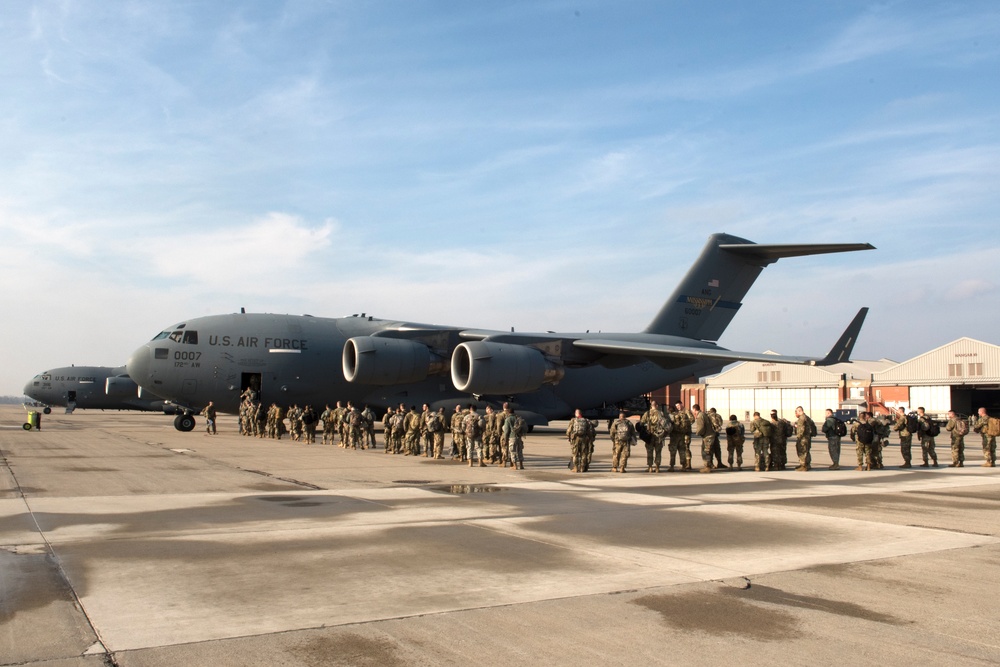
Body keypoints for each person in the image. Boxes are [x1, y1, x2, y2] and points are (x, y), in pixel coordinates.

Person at [640, 401, 669, 473]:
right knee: (658, 452)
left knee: (649, 451)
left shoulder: (647, 413)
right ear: (656, 406)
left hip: (649, 435)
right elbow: (665, 423)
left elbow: (641, 423)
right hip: (658, 436)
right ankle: (657, 467)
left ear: (651, 406)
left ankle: (650, 467)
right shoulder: (661, 413)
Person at [691, 404, 715, 473]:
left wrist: (697, 433)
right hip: (708, 435)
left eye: (692, 410)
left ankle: (707, 467)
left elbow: (701, 427)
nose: (692, 411)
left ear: (695, 409)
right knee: (707, 451)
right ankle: (708, 466)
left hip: (708, 436)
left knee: (706, 451)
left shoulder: (700, 416)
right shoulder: (703, 414)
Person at [670, 402, 693, 471]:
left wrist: (686, 426)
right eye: (676, 406)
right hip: (681, 433)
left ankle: (688, 464)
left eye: (678, 405)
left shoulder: (686, 411)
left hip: (686, 433)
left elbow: (692, 419)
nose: (678, 407)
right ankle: (685, 465)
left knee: (685, 448)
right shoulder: (678, 413)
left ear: (681, 404)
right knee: (683, 449)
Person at [793, 406, 815, 471]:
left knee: (802, 451)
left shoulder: (801, 418)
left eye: (796, 412)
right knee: (806, 451)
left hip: (803, 438)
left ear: (800, 411)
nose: (795, 413)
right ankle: (807, 464)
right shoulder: (807, 418)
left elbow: (801, 428)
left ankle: (804, 466)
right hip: (807, 437)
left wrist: (799, 436)